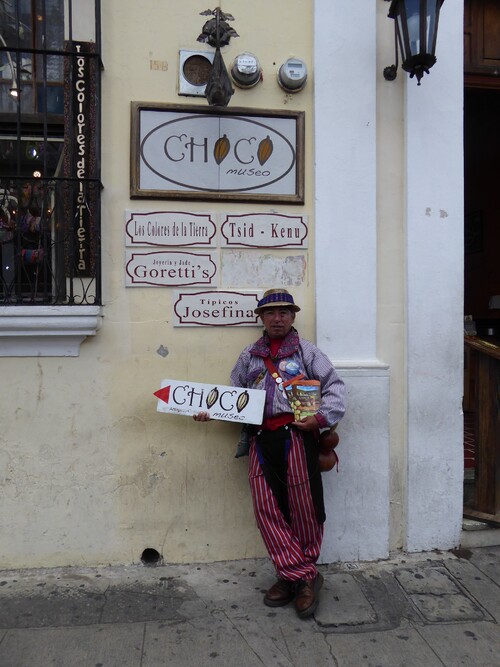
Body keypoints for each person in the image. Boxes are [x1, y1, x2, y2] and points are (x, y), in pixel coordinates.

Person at [194, 288, 345, 618]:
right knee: (267, 510)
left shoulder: (308, 353)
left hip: (297, 438)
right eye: (271, 313)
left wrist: (317, 419)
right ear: (260, 317)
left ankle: (297, 578)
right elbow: (234, 398)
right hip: (261, 440)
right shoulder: (249, 356)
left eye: (284, 313)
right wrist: (209, 410)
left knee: (304, 508)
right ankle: (299, 575)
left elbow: (335, 389)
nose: (278, 318)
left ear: (293, 317)